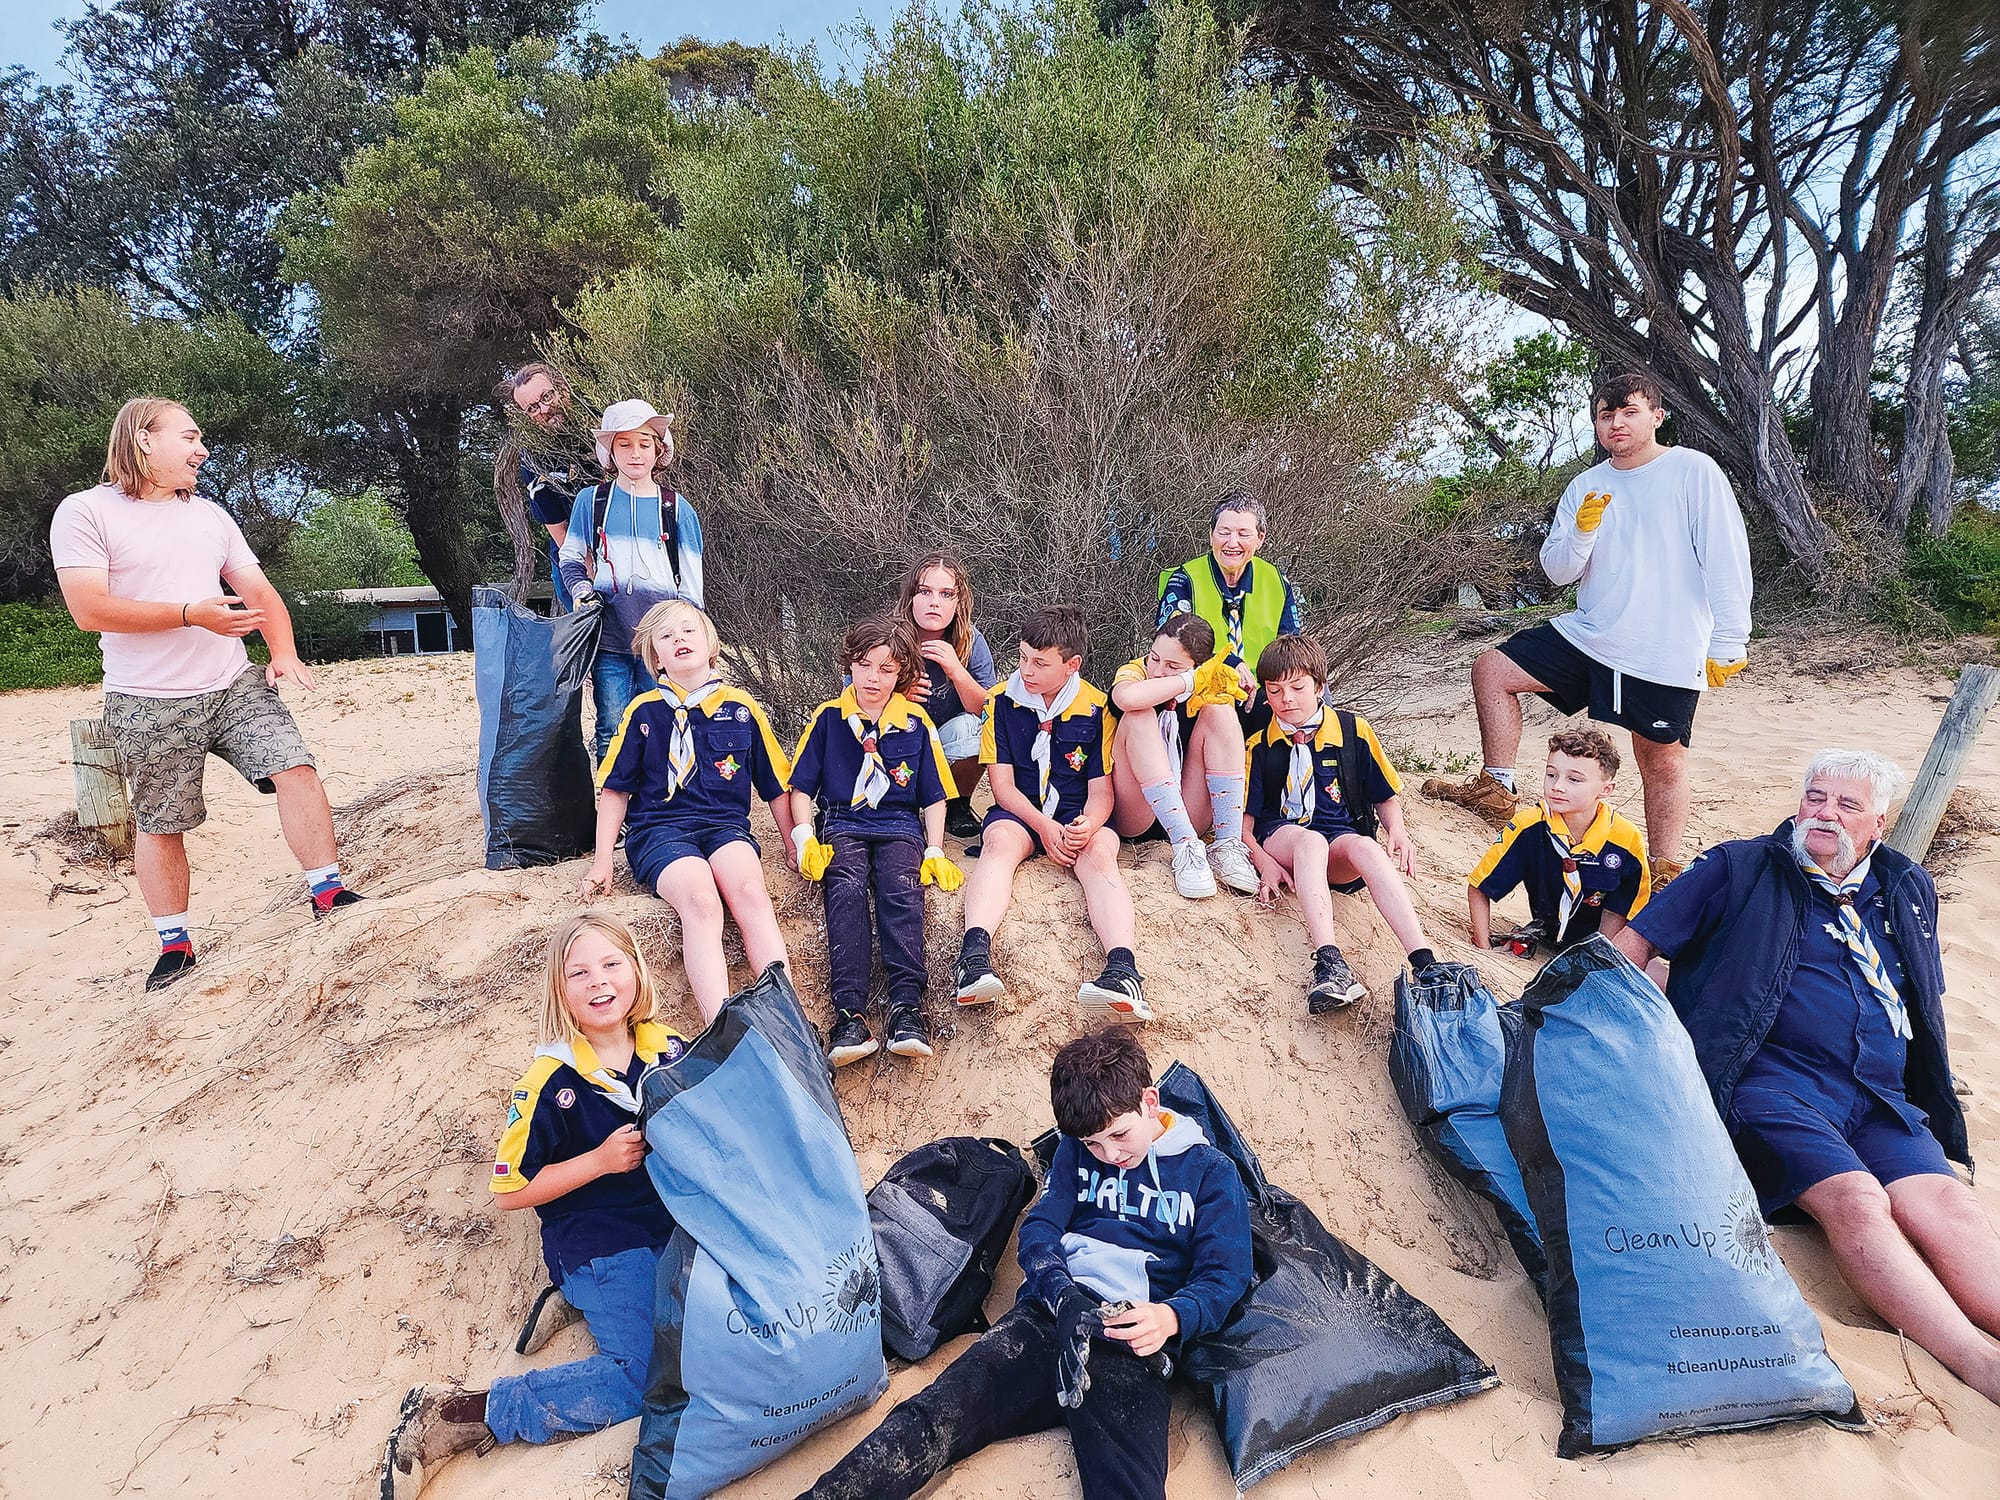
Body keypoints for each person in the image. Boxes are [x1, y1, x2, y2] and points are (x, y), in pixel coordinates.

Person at [1612, 750, 1998, 1404]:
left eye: (1846, 805)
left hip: (1877, 1097)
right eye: (1816, 797)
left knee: (1943, 1202)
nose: (1825, 814)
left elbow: (1923, 1003)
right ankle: (1978, 1364)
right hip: (1770, 1086)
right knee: (1858, 1200)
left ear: (1878, 821)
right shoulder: (1739, 868)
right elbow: (1631, 948)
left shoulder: (1904, 886)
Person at [797, 1025, 1252, 1500]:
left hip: (1131, 1340)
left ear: (1150, 1102)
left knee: (1130, 1488)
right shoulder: (1078, 1150)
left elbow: (1226, 1275)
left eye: (1119, 1134)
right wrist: (1062, 1293)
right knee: (932, 1417)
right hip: (1047, 1317)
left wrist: (1171, 1317)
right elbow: (1039, 1231)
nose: (1110, 1153)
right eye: (1094, 1143)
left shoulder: (1209, 1172)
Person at [49, 397, 362, 992]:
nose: (203, 450)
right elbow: (89, 611)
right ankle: (175, 944)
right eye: (189, 438)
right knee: (162, 822)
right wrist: (192, 613)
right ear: (144, 440)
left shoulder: (212, 516)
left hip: (232, 682)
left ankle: (327, 891)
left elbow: (257, 589)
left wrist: (284, 651)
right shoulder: (85, 512)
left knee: (296, 768)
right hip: (145, 699)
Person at [379, 912, 689, 1498]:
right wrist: (596, 1161)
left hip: (674, 1226)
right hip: (602, 1239)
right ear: (561, 992)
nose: (599, 982)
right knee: (645, 1378)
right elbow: (510, 1190)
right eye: (579, 973)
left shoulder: (667, 1047)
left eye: (611, 964)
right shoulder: (550, 1078)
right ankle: (459, 1414)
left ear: (636, 971)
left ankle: (575, 1301)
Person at [1427, 368, 1752, 882]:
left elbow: (1726, 557)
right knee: (1493, 667)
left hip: (1664, 646)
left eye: (1629, 412)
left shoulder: (1694, 471)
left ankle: (1666, 865)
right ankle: (1497, 787)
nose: (1616, 423)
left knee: (1661, 760)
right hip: (1593, 634)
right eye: (1606, 415)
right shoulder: (1587, 484)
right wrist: (1583, 531)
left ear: (1657, 416)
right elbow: (1557, 571)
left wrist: (1730, 638)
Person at [579, 601, 795, 1022]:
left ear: (710, 644)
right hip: (660, 832)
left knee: (750, 892)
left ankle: (785, 1012)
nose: (679, 639)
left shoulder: (742, 709)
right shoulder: (643, 712)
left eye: (688, 631)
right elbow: (616, 790)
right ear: (654, 657)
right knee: (701, 901)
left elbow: (775, 785)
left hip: (724, 828)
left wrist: (791, 843)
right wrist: (603, 859)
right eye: (666, 636)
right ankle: (721, 1022)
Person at [953, 605, 1149, 1020]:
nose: (1027, 669)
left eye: (1040, 663)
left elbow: (1102, 792)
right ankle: (973, 959)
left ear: (1071, 664)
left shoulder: (1097, 708)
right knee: (998, 843)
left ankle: (1122, 970)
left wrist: (1088, 824)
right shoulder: (1002, 702)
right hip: (1023, 812)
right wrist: (1043, 827)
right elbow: (1001, 787)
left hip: (1079, 814)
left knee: (1100, 852)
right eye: (1023, 657)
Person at [789, 616, 964, 1065]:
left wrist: (935, 848)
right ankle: (850, 1014)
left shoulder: (916, 722)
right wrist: (805, 836)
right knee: (845, 886)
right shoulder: (828, 718)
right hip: (844, 821)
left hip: (900, 825)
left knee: (902, 890)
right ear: (850, 664)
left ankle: (907, 1007)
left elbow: (935, 794)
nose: (874, 678)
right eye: (865, 665)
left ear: (903, 670)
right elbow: (802, 786)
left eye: (887, 669)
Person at [1240, 635, 1442, 1013]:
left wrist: (1396, 830)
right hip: (1286, 838)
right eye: (1275, 690)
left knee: (1366, 846)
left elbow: (1384, 793)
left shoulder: (1353, 730)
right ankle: (1329, 961)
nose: (1287, 699)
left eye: (1298, 687)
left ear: (1320, 685)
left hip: (1340, 843)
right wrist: (1263, 860)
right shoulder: (1259, 745)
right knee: (1310, 842)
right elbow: (1245, 823)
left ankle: (1425, 962)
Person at [558, 399, 706, 760]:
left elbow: (692, 588)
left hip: (661, 645)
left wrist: (686, 638)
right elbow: (571, 557)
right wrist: (581, 592)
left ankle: (657, 806)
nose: (635, 453)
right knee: (611, 725)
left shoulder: (676, 508)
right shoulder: (591, 501)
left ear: (660, 449)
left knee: (664, 721)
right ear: (609, 451)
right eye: (624, 444)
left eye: (644, 443)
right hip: (608, 638)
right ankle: (616, 811)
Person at [1107, 612, 1259, 899]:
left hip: (1189, 806)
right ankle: (1184, 844)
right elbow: (1127, 698)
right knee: (1138, 714)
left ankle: (1226, 844)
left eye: (1172, 665)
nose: (1157, 670)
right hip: (1136, 812)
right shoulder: (1137, 671)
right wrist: (1188, 680)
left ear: (1199, 665)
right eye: (1154, 658)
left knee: (1220, 710)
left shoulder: (1210, 679)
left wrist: (1224, 672)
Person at [1466, 727, 1649, 954]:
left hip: (1603, 946)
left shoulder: (1626, 839)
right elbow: (1480, 885)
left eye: (1574, 779)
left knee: (1656, 975)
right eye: (1551, 774)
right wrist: (1482, 947)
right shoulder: (1528, 826)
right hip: (1547, 940)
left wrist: (1597, 958)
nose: (1557, 786)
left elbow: (1622, 910)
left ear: (1606, 789)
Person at [1155, 492, 1304, 733]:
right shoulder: (1184, 580)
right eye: (1224, 532)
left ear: (1260, 539)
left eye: (1243, 534)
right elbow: (1173, 644)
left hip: (1262, 694)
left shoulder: (1277, 581)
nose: (1232, 543)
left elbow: (1290, 646)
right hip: (1198, 694)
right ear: (1211, 534)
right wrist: (1231, 663)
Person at [896, 553, 998, 840]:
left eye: (946, 594)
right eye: (925, 591)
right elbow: (850, 704)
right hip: (896, 743)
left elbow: (989, 710)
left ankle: (957, 804)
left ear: (958, 602)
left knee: (986, 728)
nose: (934, 602)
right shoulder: (885, 636)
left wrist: (957, 672)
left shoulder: (971, 640)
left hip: (947, 743)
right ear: (911, 597)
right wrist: (898, 695)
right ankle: (898, 805)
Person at [500, 362, 590, 613]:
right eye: (532, 408)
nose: (545, 410)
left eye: (547, 396)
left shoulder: (600, 425)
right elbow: (558, 529)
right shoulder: (533, 458)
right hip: (574, 554)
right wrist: (591, 571)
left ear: (563, 388)